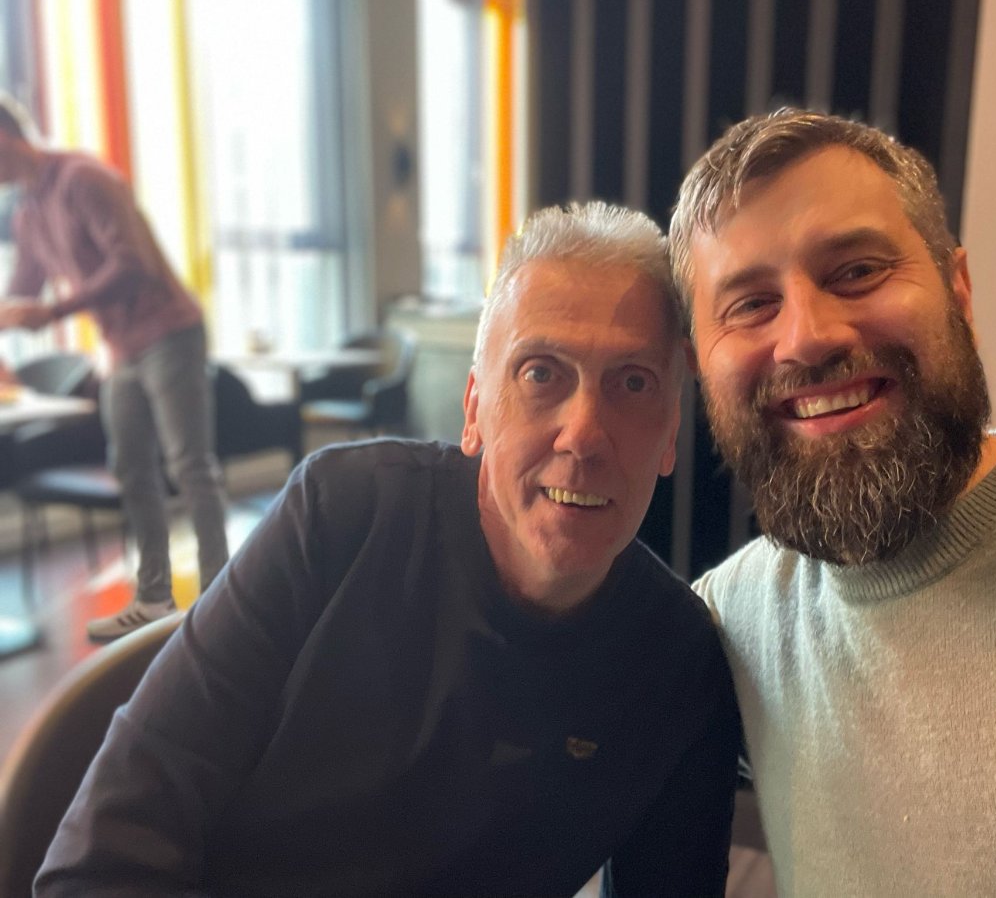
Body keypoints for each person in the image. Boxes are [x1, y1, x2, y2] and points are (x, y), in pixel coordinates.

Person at [35, 201, 741, 896]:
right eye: (540, 373)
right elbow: (101, 859)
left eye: (633, 382)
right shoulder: (341, 518)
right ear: (474, 409)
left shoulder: (678, 666)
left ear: (670, 434)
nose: (583, 435)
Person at [669, 107, 996, 894]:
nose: (808, 336)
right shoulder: (728, 625)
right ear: (699, 369)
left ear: (959, 291)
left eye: (857, 271)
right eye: (750, 305)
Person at [0, 95, 228, 641]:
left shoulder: (82, 178)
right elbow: (24, 288)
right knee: (130, 466)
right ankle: (154, 599)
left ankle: (223, 598)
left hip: (169, 331)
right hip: (121, 349)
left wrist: (54, 311)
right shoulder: (27, 212)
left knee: (189, 465)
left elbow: (132, 264)